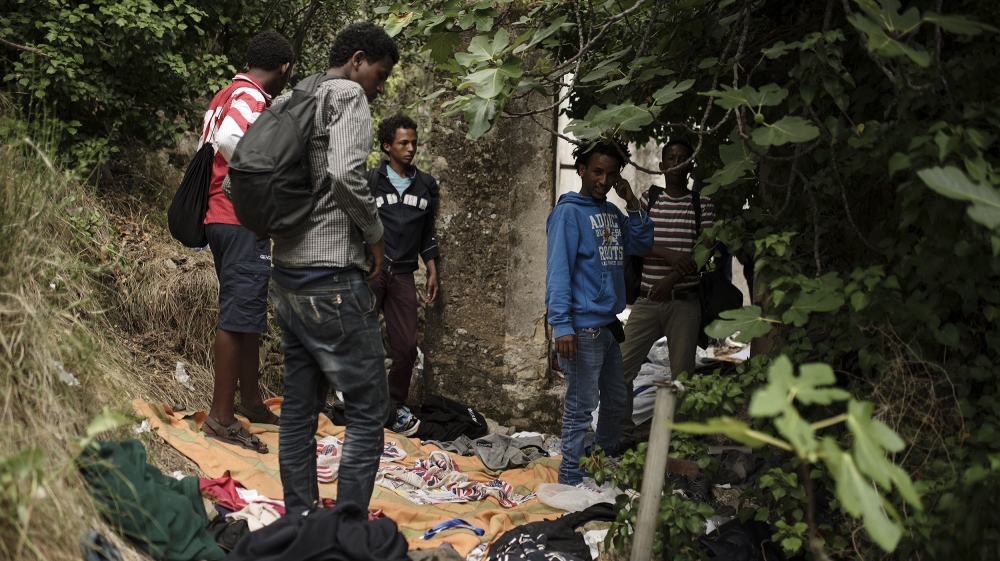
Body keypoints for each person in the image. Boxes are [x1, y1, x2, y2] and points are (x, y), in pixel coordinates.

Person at [268, 22, 398, 518]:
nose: (380, 87)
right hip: (331, 281)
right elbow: (346, 175)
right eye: (380, 75)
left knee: (298, 413)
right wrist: (375, 234)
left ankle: (301, 520)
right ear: (358, 59)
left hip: (285, 277)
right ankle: (346, 531)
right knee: (368, 409)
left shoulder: (295, 95)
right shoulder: (346, 95)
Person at [201, 31, 293, 453]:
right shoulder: (252, 97)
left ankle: (252, 402)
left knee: (247, 310)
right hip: (237, 218)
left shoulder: (225, 93)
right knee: (237, 315)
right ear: (283, 68)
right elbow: (228, 142)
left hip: (218, 218)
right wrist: (265, 179)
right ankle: (221, 418)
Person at [545, 139, 654, 485]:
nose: (603, 180)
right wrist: (561, 326)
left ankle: (601, 464)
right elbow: (558, 272)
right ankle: (570, 479)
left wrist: (632, 201)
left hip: (608, 326)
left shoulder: (611, 213)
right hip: (582, 329)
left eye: (610, 174)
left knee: (617, 399)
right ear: (581, 169)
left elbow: (642, 243)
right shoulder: (568, 213)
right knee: (580, 408)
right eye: (597, 171)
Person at [617, 139, 715, 451]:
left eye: (682, 158)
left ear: (690, 165)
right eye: (670, 158)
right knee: (621, 368)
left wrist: (672, 277)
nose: (675, 163)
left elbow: (705, 251)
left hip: (684, 304)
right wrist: (669, 254)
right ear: (661, 166)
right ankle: (623, 434)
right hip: (648, 301)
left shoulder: (702, 206)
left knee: (683, 377)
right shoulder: (650, 198)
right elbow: (633, 240)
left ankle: (683, 442)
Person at [365, 114, 440, 436]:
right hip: (371, 272)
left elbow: (427, 232)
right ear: (387, 146)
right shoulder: (370, 181)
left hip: (405, 274)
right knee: (361, 342)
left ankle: (394, 405)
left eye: (413, 143)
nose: (410, 149)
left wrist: (432, 268)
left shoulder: (426, 185)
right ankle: (363, 402)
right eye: (403, 143)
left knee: (407, 346)